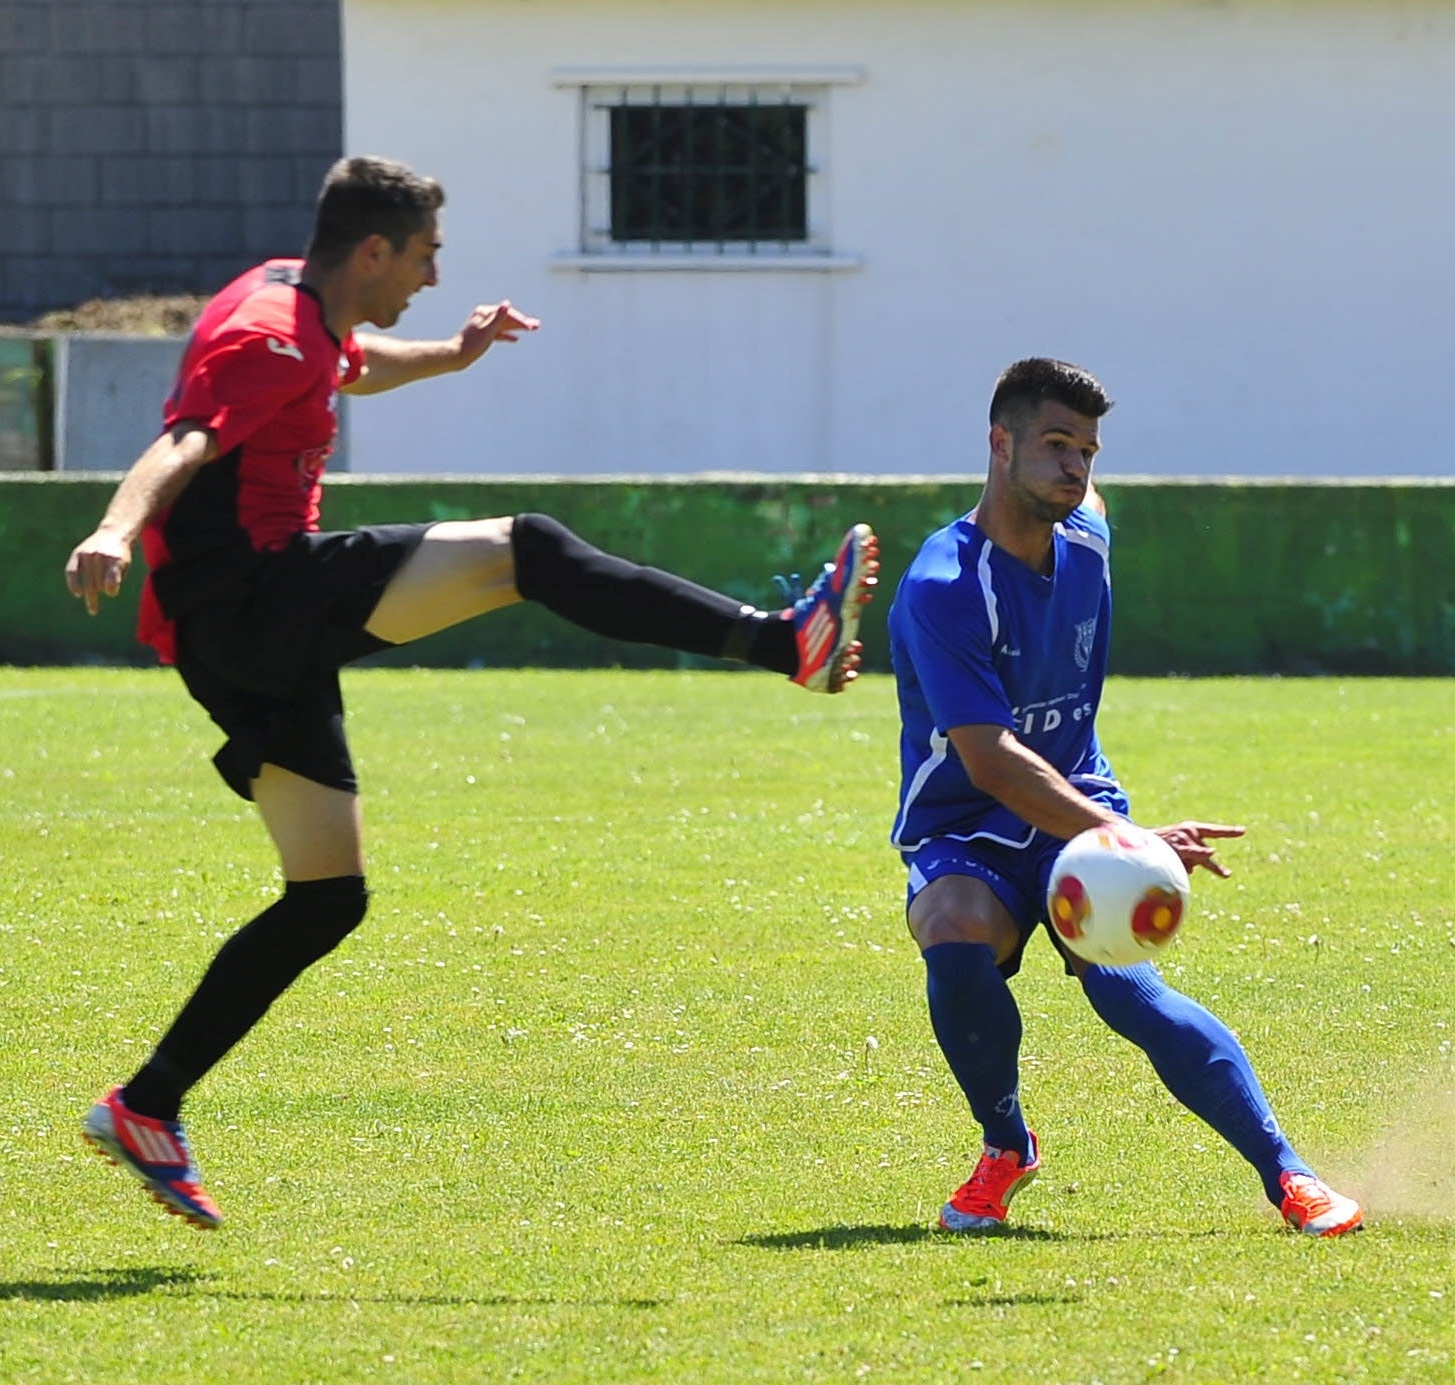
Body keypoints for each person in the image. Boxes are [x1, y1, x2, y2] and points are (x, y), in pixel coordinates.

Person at [63, 154, 880, 1229]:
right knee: (525, 548)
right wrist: (114, 527)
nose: (433, 276)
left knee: (327, 894)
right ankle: (783, 643)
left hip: (245, 634)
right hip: (253, 596)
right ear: (374, 249)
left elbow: (344, 364)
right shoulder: (263, 330)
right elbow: (186, 440)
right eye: (426, 256)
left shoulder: (299, 304)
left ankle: (147, 1103)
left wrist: (452, 355)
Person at [886, 357, 1361, 1237]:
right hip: (969, 822)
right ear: (1000, 444)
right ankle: (1005, 1144)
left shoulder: (1089, 534)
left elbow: (1088, 516)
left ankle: (1288, 1173)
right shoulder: (945, 588)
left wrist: (1107, 829)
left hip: (1071, 798)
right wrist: (1129, 838)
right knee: (952, 926)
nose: (1077, 468)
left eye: (1089, 451)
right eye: (1056, 444)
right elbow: (990, 762)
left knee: (1123, 988)